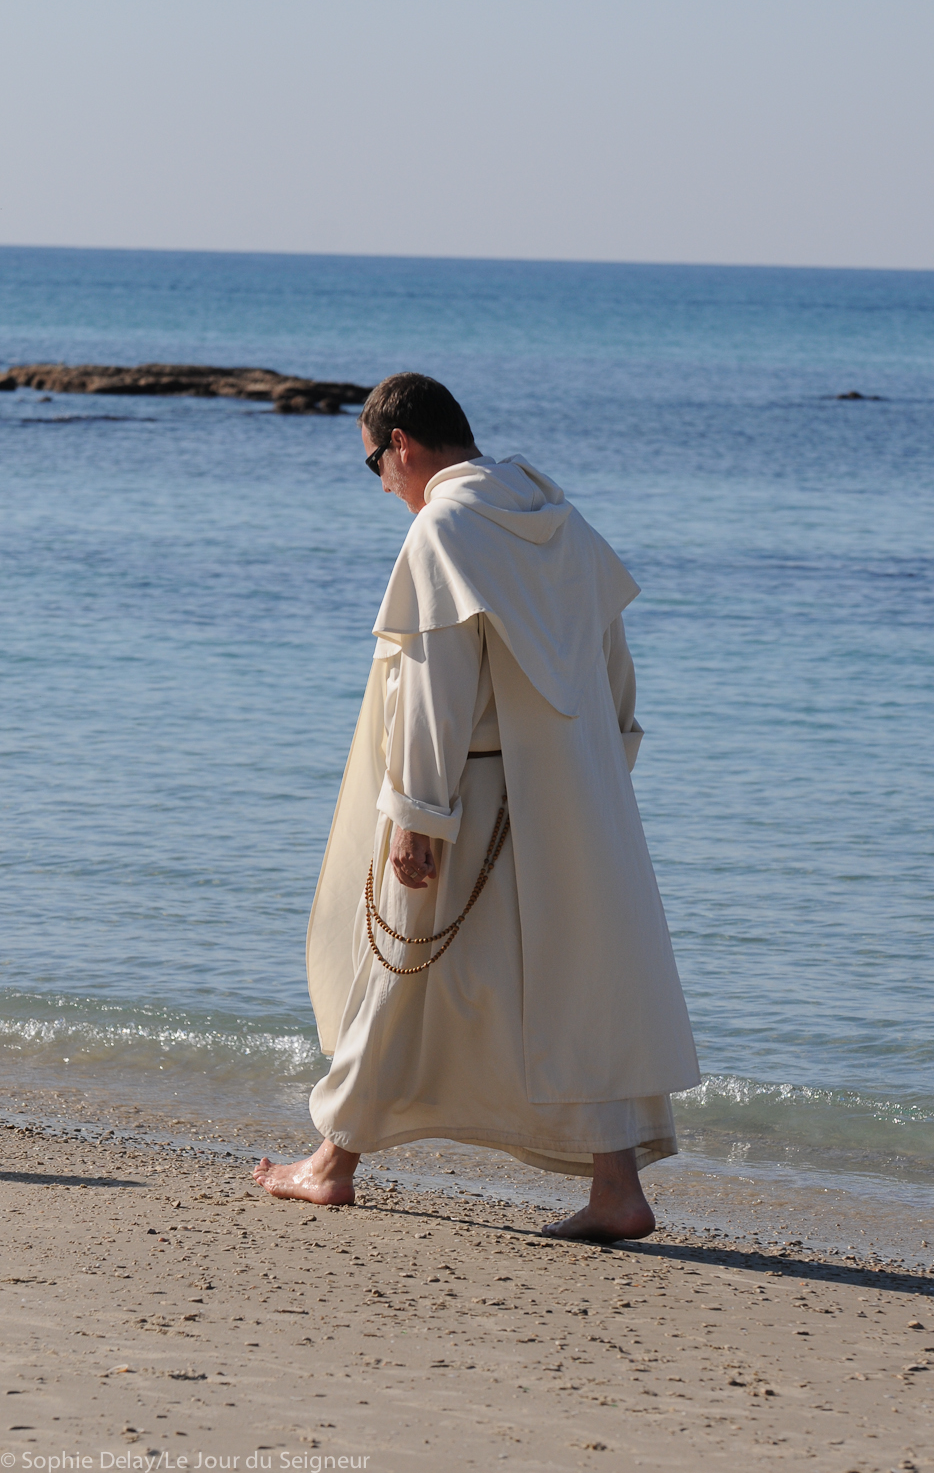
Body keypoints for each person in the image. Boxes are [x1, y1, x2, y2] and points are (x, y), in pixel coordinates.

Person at [253, 373, 699, 1240]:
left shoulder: (442, 529)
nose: (382, 484)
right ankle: (616, 1188)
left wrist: (418, 814)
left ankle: (330, 1165)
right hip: (574, 794)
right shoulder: (561, 521)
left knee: (398, 965)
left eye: (375, 465)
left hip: (473, 794)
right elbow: (613, 669)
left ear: (403, 445)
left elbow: (434, 685)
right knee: (576, 981)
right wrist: (597, 782)